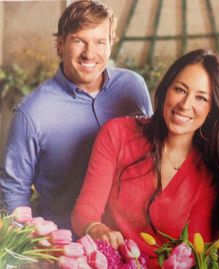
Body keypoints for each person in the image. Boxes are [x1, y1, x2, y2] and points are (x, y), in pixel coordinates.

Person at [71, 49, 219, 268]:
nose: (185, 105)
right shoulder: (117, 133)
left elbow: (195, 255)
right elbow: (85, 209)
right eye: (180, 89)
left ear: (212, 109)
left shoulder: (210, 169)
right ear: (166, 89)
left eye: (201, 98)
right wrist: (95, 228)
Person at [0, 0, 153, 230]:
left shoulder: (133, 88)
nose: (89, 54)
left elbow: (154, 153)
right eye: (78, 41)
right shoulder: (32, 112)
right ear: (60, 45)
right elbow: (13, 192)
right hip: (66, 249)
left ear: (112, 43)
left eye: (100, 42)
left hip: (131, 242)